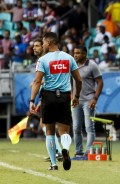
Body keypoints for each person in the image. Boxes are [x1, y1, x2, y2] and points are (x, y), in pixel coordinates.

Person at [30, 32, 82, 171]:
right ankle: (65, 148)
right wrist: (76, 96)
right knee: (64, 131)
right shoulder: (69, 58)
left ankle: (53, 164)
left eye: (44, 42)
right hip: (64, 97)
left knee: (50, 131)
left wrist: (31, 100)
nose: (43, 45)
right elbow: (79, 79)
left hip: (48, 96)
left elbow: (37, 81)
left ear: (48, 43)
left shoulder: (43, 60)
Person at [32, 38, 63, 162]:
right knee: (45, 124)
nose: (34, 48)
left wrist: (39, 83)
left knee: (48, 124)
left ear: (44, 46)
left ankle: (59, 151)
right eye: (34, 46)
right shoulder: (43, 60)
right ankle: (58, 151)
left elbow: (54, 78)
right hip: (48, 94)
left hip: (52, 95)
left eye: (37, 45)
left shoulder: (46, 60)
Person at [72, 45, 103, 157]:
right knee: (76, 127)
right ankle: (78, 151)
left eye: (78, 53)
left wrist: (95, 98)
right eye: (74, 52)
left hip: (89, 99)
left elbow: (100, 82)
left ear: (84, 54)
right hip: (76, 100)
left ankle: (88, 152)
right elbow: (71, 81)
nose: (75, 55)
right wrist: (72, 96)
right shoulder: (73, 65)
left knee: (89, 127)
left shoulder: (92, 65)